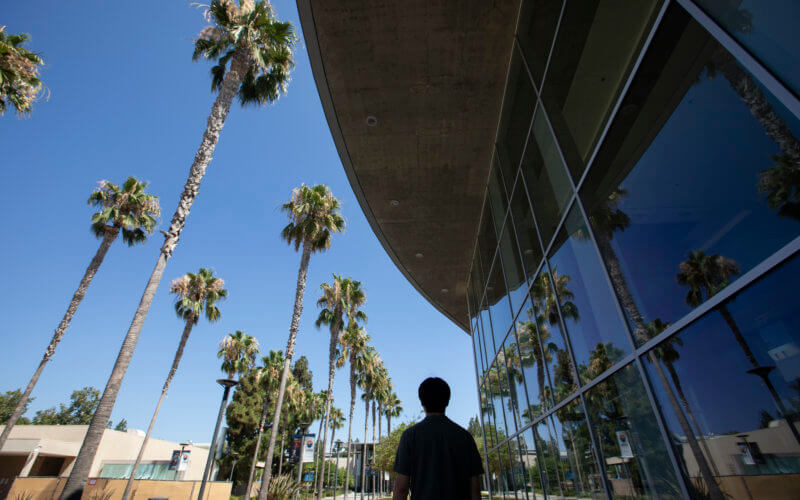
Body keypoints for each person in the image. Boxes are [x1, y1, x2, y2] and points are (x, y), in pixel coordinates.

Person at [393, 377, 483, 499]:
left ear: (421, 402)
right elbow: (475, 490)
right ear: (447, 401)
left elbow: (401, 489)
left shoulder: (409, 436)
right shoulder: (465, 437)